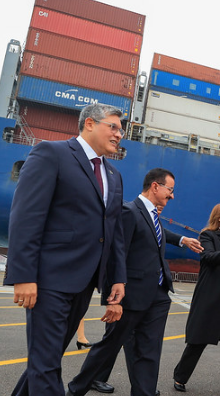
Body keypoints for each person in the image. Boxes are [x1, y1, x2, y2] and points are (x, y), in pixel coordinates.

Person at [5, 103, 128, 396]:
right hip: (49, 279)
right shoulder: (52, 153)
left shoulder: (113, 175)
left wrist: (117, 278)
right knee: (46, 364)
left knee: (46, 358)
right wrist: (22, 275)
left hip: (85, 284)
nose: (119, 134)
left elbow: (114, 234)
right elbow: (26, 217)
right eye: (113, 126)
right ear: (88, 123)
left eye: (121, 129)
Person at [67, 167, 201, 396]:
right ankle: (76, 389)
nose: (172, 195)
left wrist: (182, 239)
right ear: (155, 186)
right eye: (170, 189)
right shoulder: (129, 212)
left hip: (158, 294)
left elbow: (157, 232)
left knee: (149, 350)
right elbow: (114, 256)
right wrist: (113, 299)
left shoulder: (151, 215)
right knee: (109, 345)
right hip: (131, 296)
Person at [172, 202, 220, 396]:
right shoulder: (208, 235)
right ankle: (180, 376)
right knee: (199, 339)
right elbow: (207, 257)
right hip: (212, 297)